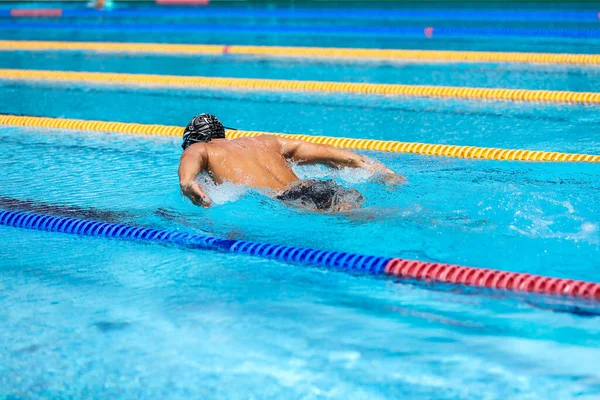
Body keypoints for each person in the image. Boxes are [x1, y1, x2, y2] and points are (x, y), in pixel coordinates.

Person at [178, 114, 406, 212]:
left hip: (290, 200)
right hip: (315, 186)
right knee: (368, 214)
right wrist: (381, 170)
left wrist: (189, 184)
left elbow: (189, 171)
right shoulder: (266, 141)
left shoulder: (200, 148)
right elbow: (336, 155)